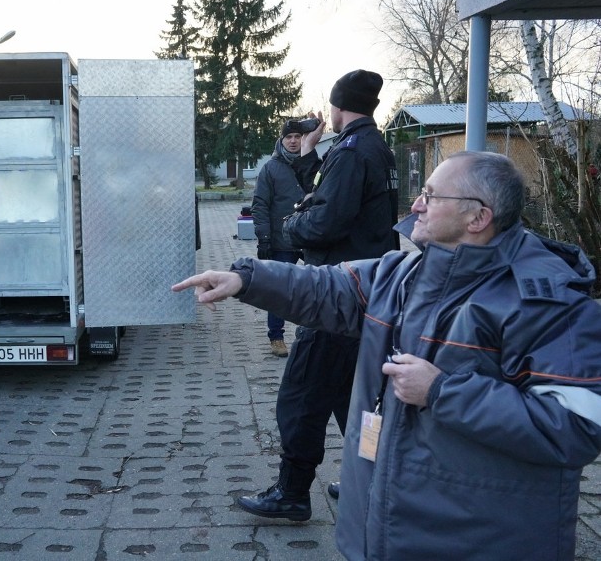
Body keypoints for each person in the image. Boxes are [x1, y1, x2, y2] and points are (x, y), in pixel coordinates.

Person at [172, 150, 601, 560]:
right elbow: (326, 288)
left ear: (478, 217)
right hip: (388, 531)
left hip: (477, 543)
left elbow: (576, 429)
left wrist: (442, 392)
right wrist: (245, 279)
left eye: (431, 196)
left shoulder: (546, 303)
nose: (416, 204)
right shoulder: (408, 273)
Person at [237, 69, 399, 521]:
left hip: (336, 296)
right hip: (371, 293)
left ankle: (292, 491)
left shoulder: (351, 153)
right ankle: (368, 482)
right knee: (359, 401)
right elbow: (332, 197)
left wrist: (291, 228)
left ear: (337, 105)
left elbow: (326, 219)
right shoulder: (376, 147)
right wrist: (311, 158)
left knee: (301, 397)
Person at [251, 119, 315, 357]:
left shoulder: (312, 164)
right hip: (282, 240)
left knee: (313, 288)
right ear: (281, 140)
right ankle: (276, 337)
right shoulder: (271, 168)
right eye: (288, 137)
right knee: (279, 290)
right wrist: (264, 238)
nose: (293, 141)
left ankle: (311, 333)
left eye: (298, 136)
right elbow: (260, 205)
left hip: (310, 238)